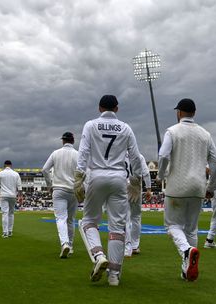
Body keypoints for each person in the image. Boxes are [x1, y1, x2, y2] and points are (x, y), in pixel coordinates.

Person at [75, 95, 143, 287]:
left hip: (96, 176)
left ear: (99, 108)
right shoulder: (126, 128)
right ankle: (114, 275)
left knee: (89, 221)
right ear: (117, 108)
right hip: (119, 178)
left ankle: (98, 255)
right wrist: (136, 180)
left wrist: (79, 177)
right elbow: (135, 157)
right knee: (117, 227)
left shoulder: (90, 125)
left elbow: (83, 152)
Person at [157, 98, 216, 282]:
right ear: (194, 113)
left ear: (179, 112)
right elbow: (215, 162)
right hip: (198, 187)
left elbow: (163, 155)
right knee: (191, 229)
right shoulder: (205, 134)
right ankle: (186, 271)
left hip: (177, 186)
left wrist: (161, 175)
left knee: (172, 226)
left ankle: (186, 251)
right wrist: (212, 187)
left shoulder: (173, 131)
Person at [42, 132, 78, 258]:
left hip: (58, 189)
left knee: (61, 218)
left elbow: (45, 169)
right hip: (73, 190)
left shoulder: (55, 153)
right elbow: (85, 172)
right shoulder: (78, 154)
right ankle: (71, 246)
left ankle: (65, 243)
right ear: (72, 141)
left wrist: (49, 185)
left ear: (63, 141)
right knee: (70, 220)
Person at [124, 153, 152, 258]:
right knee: (136, 217)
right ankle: (135, 246)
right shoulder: (139, 156)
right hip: (136, 187)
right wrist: (149, 189)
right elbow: (146, 173)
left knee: (125, 219)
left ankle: (127, 247)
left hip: (123, 187)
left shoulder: (119, 154)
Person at [0, 160, 22, 238]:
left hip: (3, 195)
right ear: (11, 165)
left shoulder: (0, 173)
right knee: (11, 213)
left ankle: (5, 232)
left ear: (4, 165)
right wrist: (20, 196)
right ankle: (10, 231)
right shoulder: (16, 174)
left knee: (5, 213)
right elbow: (19, 187)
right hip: (13, 195)